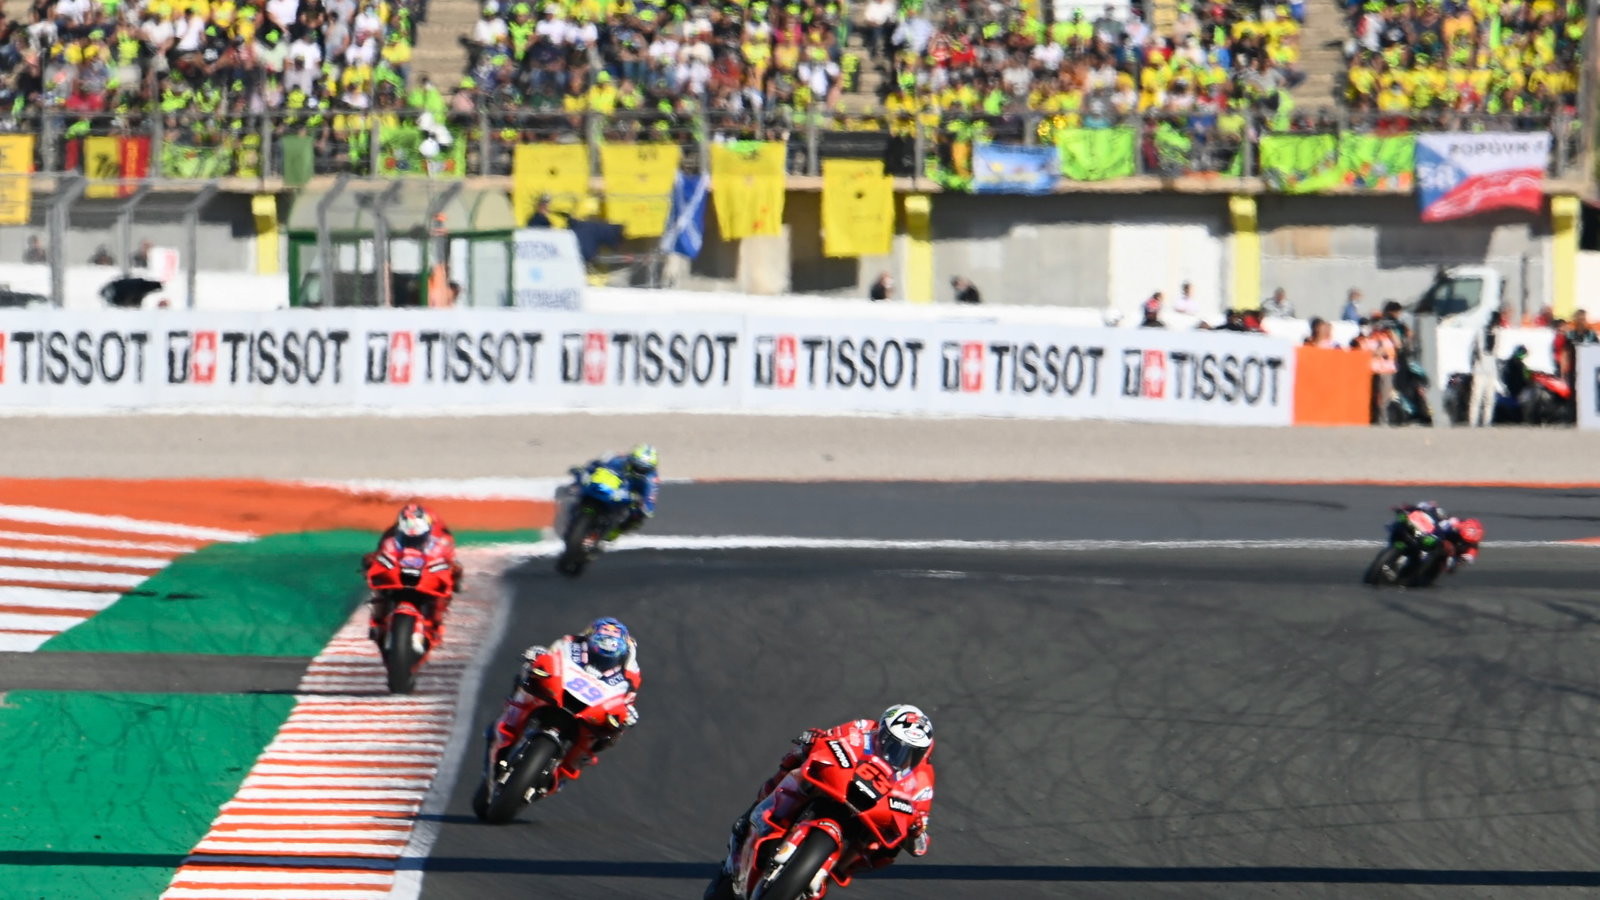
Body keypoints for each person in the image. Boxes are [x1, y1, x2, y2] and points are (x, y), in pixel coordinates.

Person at [709, 704, 935, 895]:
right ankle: (756, 814)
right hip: (837, 786)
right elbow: (831, 738)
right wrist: (814, 739)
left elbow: (920, 828)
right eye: (894, 745)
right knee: (798, 760)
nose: (900, 756)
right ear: (882, 734)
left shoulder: (922, 779)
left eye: (912, 753)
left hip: (870, 817)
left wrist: (916, 831)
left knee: (886, 850)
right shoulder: (863, 729)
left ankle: (834, 870)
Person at [494, 617, 640, 769]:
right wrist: (538, 656)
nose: (603, 656)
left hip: (592, 712)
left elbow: (628, 698)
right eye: (601, 641)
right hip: (556, 694)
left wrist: (627, 712)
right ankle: (508, 724)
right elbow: (551, 655)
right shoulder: (572, 643)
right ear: (590, 637)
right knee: (528, 676)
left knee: (613, 731)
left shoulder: (630, 671)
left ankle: (569, 767)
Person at [365, 503, 463, 641]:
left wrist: (454, 573)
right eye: (407, 537)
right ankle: (377, 620)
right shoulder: (390, 536)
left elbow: (451, 561)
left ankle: (436, 623)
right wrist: (372, 562)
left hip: (426, 574)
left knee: (447, 586)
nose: (412, 540)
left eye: (417, 537)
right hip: (398, 573)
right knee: (379, 586)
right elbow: (378, 554)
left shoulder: (442, 538)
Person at [579, 444, 660, 539]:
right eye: (636, 466)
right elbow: (595, 465)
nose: (639, 470)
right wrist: (584, 473)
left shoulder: (652, 479)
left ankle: (616, 531)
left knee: (637, 517)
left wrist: (644, 507)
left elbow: (650, 500)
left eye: (644, 469)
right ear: (631, 459)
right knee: (582, 481)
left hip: (629, 494)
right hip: (609, 486)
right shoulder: (617, 459)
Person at [1400, 501, 1483, 573]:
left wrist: (1462, 559)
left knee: (1450, 568)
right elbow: (1440, 526)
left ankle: (1428, 570)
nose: (1465, 541)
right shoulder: (1455, 523)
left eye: (1468, 541)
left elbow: (1469, 557)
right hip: (1437, 537)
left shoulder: (1472, 546)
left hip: (1448, 552)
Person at [1552, 309, 1596, 384]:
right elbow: (1565, 354)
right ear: (1576, 320)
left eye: (1583, 319)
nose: (1582, 322)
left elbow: (1596, 352)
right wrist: (1563, 374)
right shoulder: (1570, 335)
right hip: (1573, 371)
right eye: (1579, 319)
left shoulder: (1591, 335)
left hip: (1588, 371)